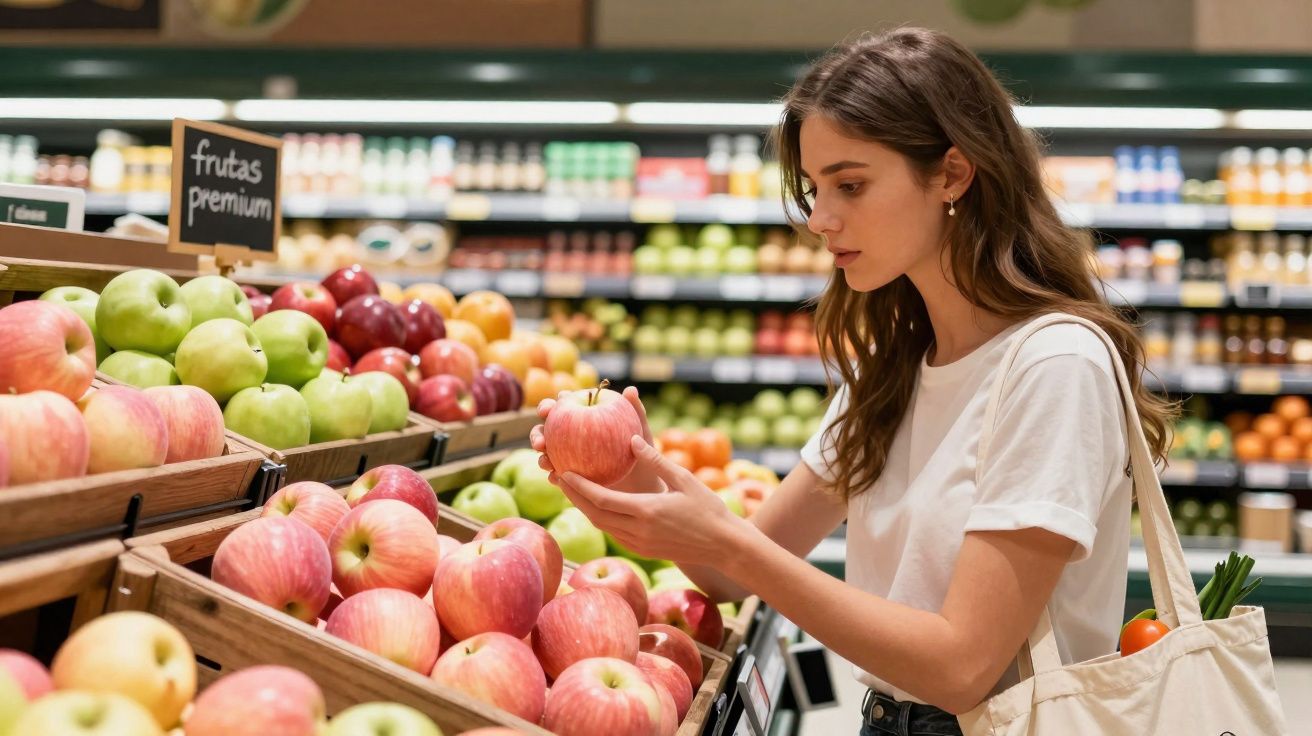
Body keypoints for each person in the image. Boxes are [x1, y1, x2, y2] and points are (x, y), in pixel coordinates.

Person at [530, 26, 1174, 736]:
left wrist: (727, 542)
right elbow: (741, 573)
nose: (818, 218)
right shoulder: (893, 366)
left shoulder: (1055, 366)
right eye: (814, 188)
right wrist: (633, 480)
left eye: (851, 184)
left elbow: (962, 665)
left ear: (953, 175)